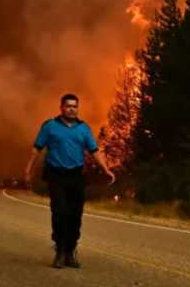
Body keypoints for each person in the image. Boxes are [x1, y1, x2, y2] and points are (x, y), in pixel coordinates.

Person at [24, 94, 115, 269]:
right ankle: (59, 250)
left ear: (77, 108)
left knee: (75, 214)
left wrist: (106, 169)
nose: (72, 109)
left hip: (76, 176)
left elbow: (94, 151)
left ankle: (70, 251)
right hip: (56, 174)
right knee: (59, 212)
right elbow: (37, 149)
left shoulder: (83, 129)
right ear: (61, 108)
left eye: (75, 106)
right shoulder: (50, 126)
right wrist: (28, 170)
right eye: (68, 106)